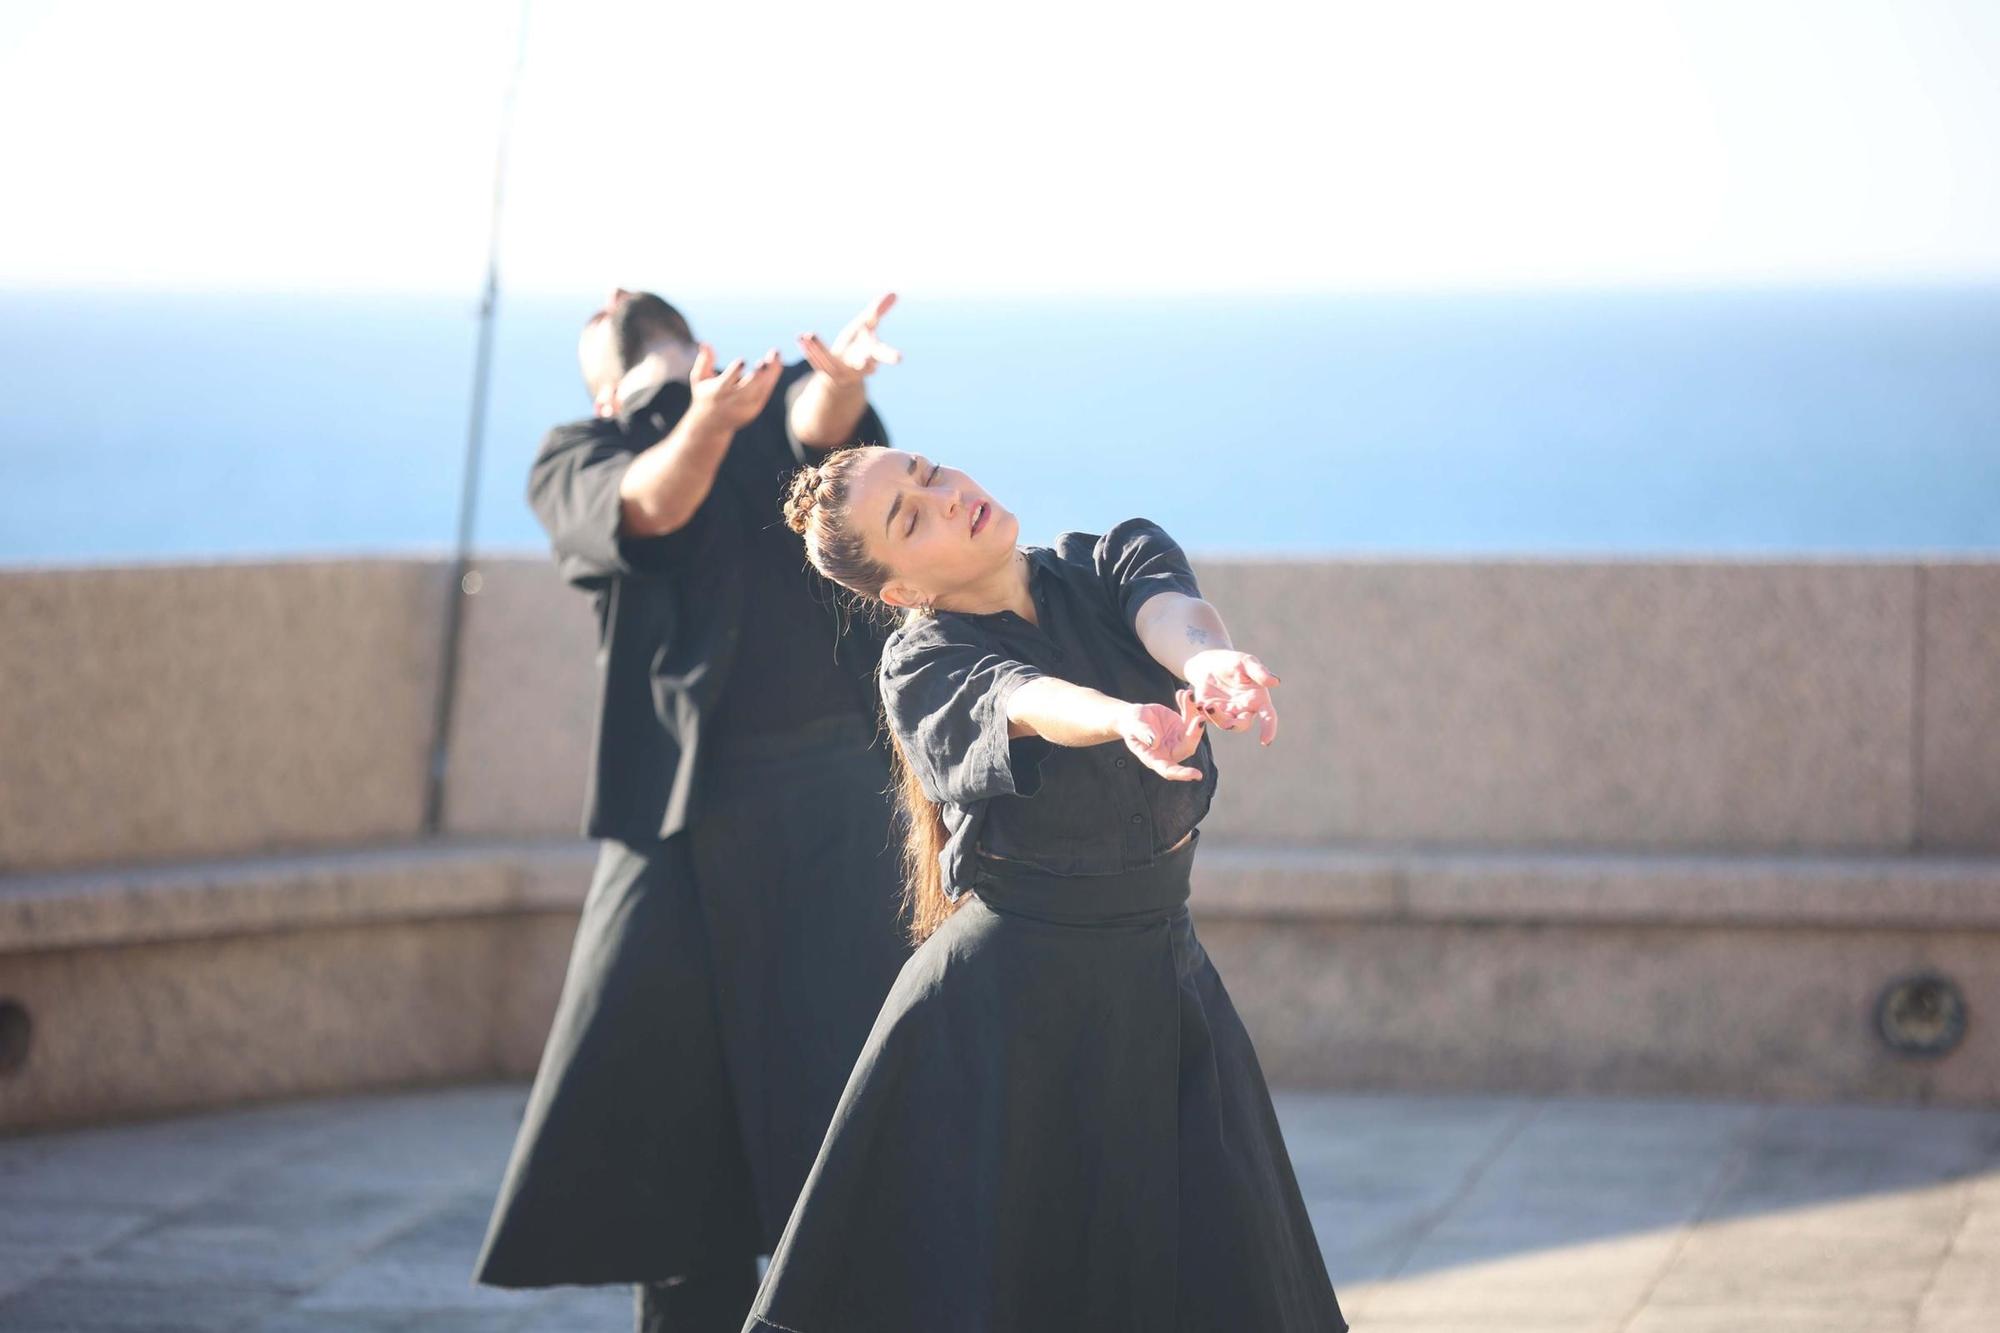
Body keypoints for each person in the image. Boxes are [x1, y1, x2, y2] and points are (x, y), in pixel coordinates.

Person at [745, 446, 1347, 1332]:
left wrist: (1209, 665)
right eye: (911, 517)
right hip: (1005, 1011)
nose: (949, 499)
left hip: (1159, 977)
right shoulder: (922, 662)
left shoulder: (1105, 559)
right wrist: (1121, 719)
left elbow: (1172, 613)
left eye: (928, 473)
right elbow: (1020, 698)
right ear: (900, 592)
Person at [473, 290, 915, 1333]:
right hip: (669, 831)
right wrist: (699, 420)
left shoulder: (771, 408)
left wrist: (835, 386)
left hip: (835, 814)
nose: (614, 297)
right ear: (601, 385)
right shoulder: (579, 452)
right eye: (603, 315)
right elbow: (651, 508)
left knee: (857, 1161)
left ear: (699, 348)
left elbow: (823, 434)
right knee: (676, 1179)